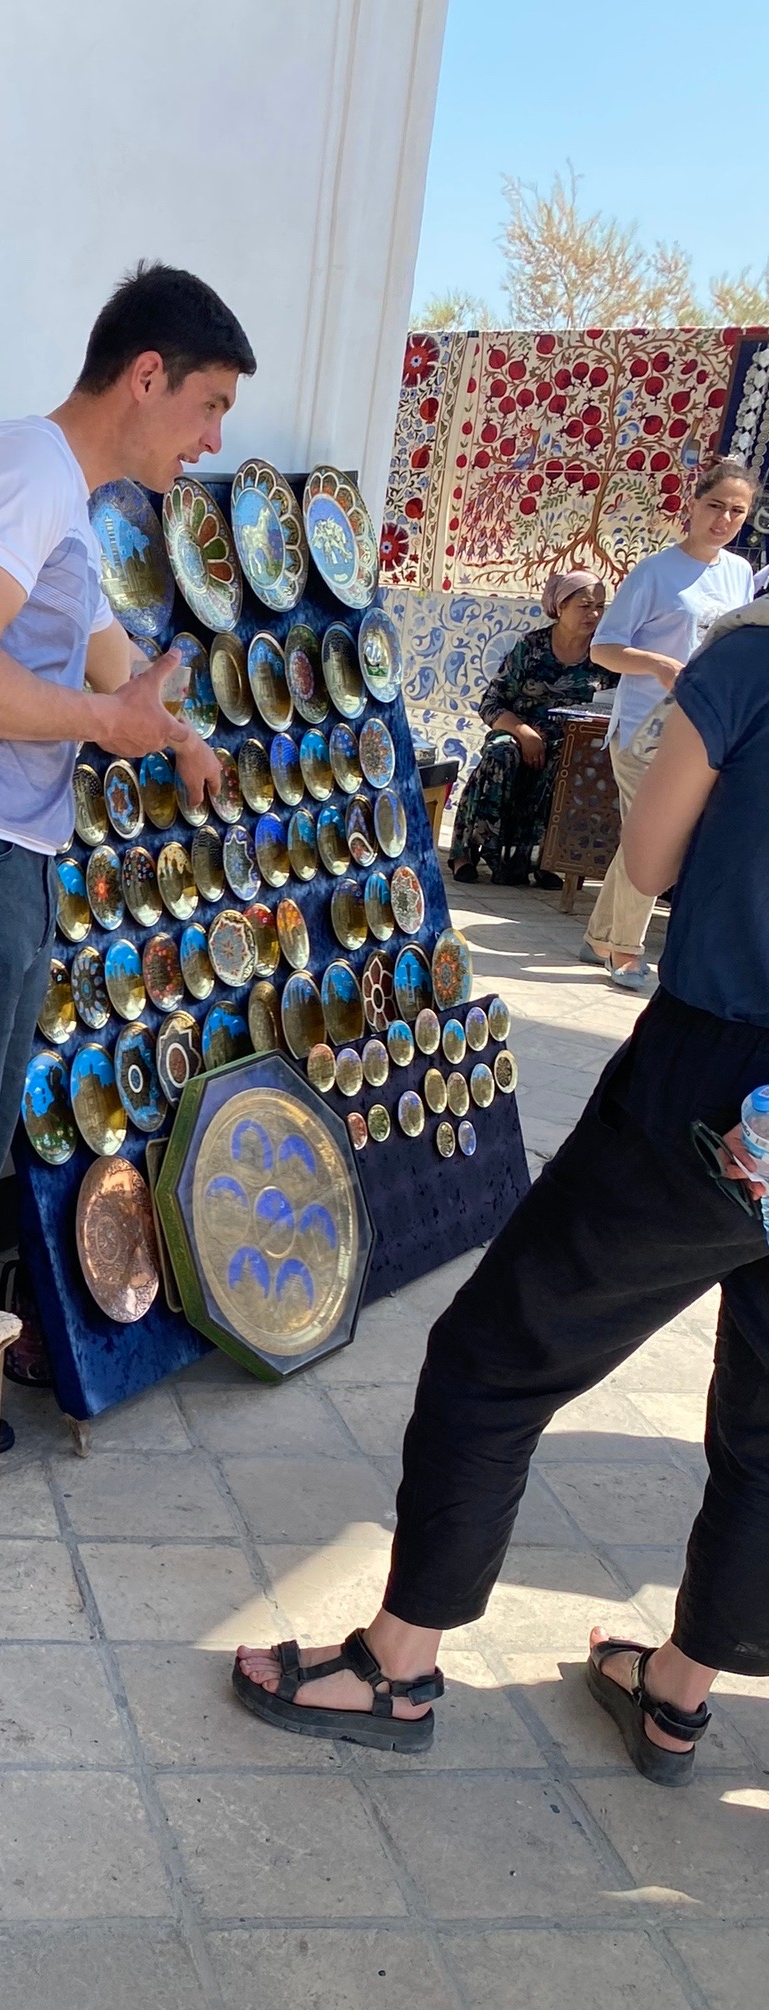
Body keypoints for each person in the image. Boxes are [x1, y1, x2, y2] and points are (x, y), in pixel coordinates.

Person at [230, 592, 769, 1783]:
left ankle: (399, 1662)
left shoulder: (747, 665)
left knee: (494, 1356)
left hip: (724, 1067)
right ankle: (679, 1694)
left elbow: (649, 856)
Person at [0, 261, 254, 1294]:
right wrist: (105, 723)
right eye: (209, 404)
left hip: (0, 864)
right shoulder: (25, 472)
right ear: (148, 375)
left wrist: (179, 736)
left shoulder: (64, 501)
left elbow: (108, 658)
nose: (213, 438)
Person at [583, 456, 758, 990]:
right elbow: (604, 649)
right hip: (645, 728)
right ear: (692, 504)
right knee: (663, 830)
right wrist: (658, 664)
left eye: (737, 511)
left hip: (700, 729)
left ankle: (601, 935)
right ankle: (624, 951)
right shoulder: (654, 572)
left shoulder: (740, 573)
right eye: (715, 506)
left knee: (651, 830)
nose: (724, 519)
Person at [448, 569, 604, 886]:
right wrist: (526, 734)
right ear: (561, 607)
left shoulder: (603, 654)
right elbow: (492, 703)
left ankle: (545, 859)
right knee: (500, 756)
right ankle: (467, 853)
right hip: (518, 732)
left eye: (600, 606)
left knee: (571, 764)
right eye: (585, 606)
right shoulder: (530, 647)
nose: (594, 614)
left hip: (569, 741)